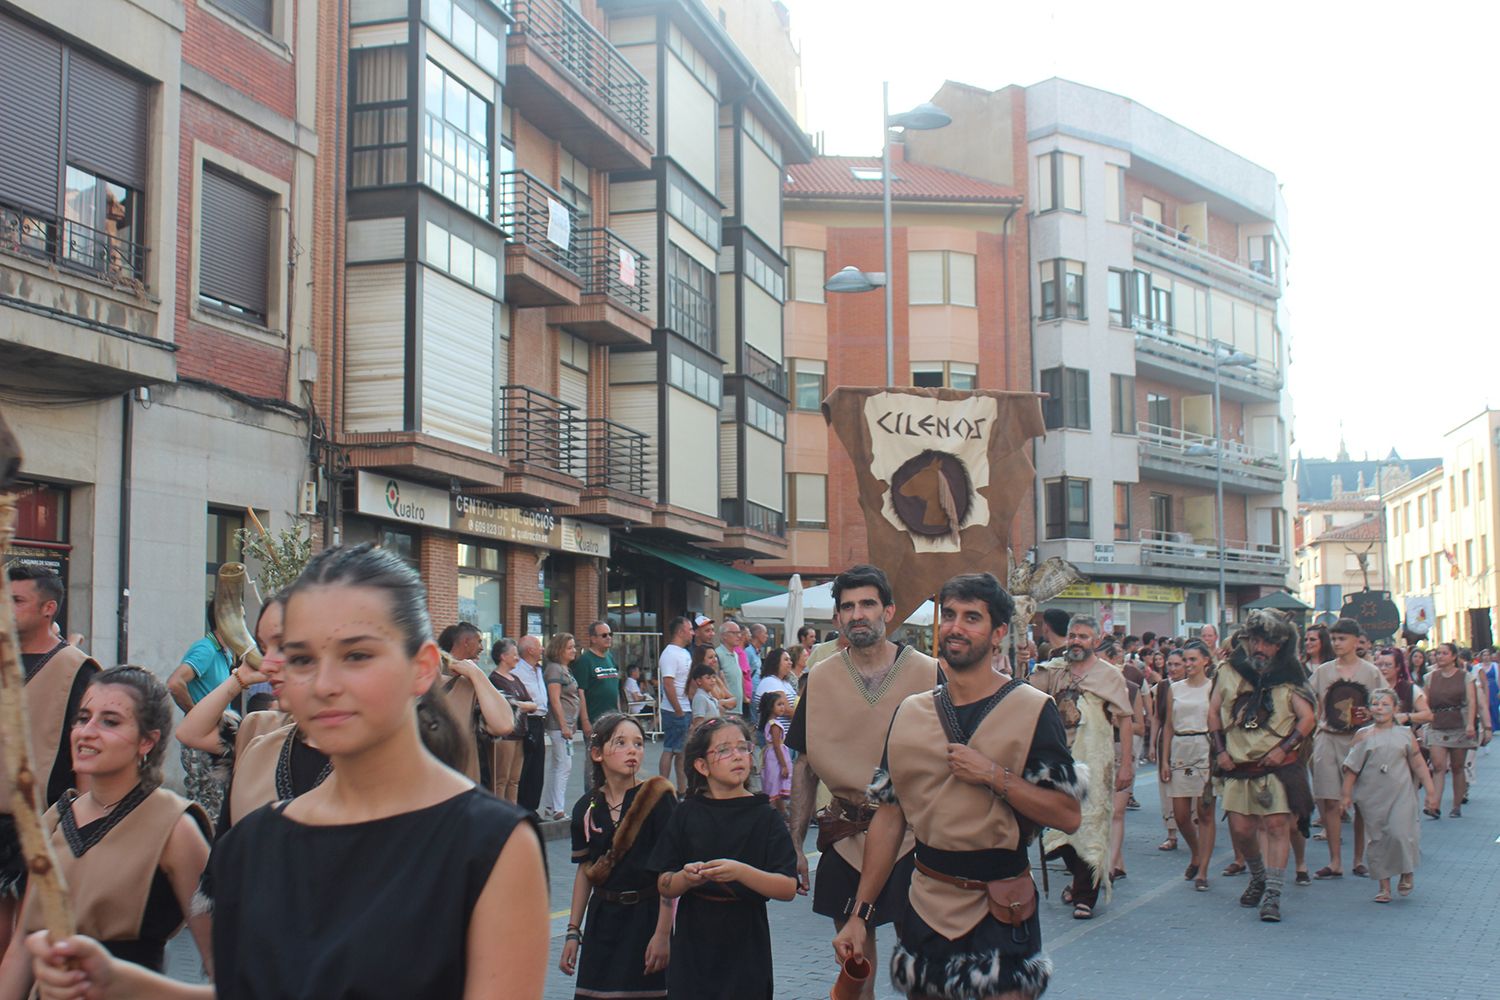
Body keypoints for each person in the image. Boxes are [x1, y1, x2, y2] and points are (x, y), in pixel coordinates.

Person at [25, 542, 551, 999]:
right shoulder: (254, 843)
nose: (322, 684)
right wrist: (122, 985)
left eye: (357, 655)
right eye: (300, 660)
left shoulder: (490, 845)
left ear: (422, 668)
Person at [833, 573, 1082, 1000]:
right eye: (948, 615)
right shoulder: (910, 712)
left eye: (972, 618)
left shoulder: (1033, 709)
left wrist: (994, 775)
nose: (955, 627)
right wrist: (860, 913)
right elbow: (890, 818)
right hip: (926, 901)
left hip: (1002, 905)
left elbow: (1068, 815)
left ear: (998, 632)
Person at [0, 667, 212, 995]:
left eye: (110, 721)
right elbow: (22, 948)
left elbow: (222, 960)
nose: (87, 731)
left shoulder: (173, 826)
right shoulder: (55, 820)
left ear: (147, 741)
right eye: (82, 717)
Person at [786, 565, 942, 995]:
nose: (858, 614)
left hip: (914, 836)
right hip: (846, 831)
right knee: (856, 967)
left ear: (888, 611)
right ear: (836, 618)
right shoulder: (819, 679)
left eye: (868, 604)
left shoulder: (930, 675)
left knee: (923, 963)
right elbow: (804, 764)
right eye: (848, 607)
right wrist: (795, 843)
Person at [649, 717, 798, 999]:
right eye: (725, 750)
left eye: (743, 748)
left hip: (746, 943)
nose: (738, 756)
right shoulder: (686, 812)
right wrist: (685, 878)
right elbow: (664, 883)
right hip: (694, 942)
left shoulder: (765, 816)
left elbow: (787, 887)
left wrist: (741, 872)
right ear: (701, 765)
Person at [0, 564, 100, 958]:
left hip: (46, 821)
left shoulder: (78, 669)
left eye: (17, 600)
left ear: (48, 608)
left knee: (26, 942)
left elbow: (89, 751)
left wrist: (90, 823)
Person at [559, 714, 675, 1000]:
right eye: (620, 742)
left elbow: (668, 872)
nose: (632, 749)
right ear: (597, 753)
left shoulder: (659, 798)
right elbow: (585, 871)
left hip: (646, 918)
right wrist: (573, 931)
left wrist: (663, 934)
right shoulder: (586, 806)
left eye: (638, 743)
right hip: (602, 921)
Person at [1209, 610, 1315, 922]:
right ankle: (1257, 876)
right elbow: (1214, 712)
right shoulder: (1228, 671)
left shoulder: (1291, 676)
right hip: (1238, 764)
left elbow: (1307, 719)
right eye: (1254, 640)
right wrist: (1220, 751)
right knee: (1241, 830)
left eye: (1267, 642)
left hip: (1276, 767)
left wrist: (1283, 749)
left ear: (1279, 645)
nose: (1259, 647)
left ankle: (1273, 893)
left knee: (1277, 826)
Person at [1029, 615, 1133, 919]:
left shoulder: (1109, 676)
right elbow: (1028, 694)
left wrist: (1126, 764)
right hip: (1058, 760)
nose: (1076, 641)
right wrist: (1024, 657)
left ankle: (1085, 895)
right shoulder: (1053, 670)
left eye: (1083, 636)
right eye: (1073, 635)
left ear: (1096, 642)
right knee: (1059, 826)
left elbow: (1124, 720)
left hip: (1095, 761)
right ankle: (1080, 880)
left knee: (1088, 826)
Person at [1339, 689, 1439, 903]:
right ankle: (1384, 885)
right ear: (1369, 708)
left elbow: (1418, 763)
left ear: (1396, 708)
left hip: (1401, 794)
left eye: (1385, 704)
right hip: (1372, 796)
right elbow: (1351, 768)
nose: (1380, 708)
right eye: (1375, 704)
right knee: (1377, 839)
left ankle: (1407, 871)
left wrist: (1431, 791)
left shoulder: (1405, 734)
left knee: (1401, 833)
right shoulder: (1363, 735)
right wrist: (1346, 795)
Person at [1309, 619, 1384, 878]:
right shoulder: (1323, 672)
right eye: (1334, 638)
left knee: (1361, 802)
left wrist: (1371, 712)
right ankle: (1335, 861)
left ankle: (1358, 859)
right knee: (1329, 800)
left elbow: (1385, 703)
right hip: (1328, 738)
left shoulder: (1370, 672)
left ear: (1355, 640)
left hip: (1359, 741)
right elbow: (1309, 701)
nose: (1337, 643)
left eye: (1342, 638)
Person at [167, 604, 238, 817]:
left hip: (214, 737)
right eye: (239, 617)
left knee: (216, 805)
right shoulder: (206, 649)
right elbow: (175, 683)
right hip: (202, 741)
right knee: (208, 809)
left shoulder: (222, 652)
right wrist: (197, 715)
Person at [1162, 640, 1216, 891]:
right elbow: (1168, 726)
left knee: (1205, 812)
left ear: (1206, 660)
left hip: (1205, 747)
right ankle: (1196, 851)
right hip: (1180, 749)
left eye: (1193, 659)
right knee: (1181, 815)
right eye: (1186, 660)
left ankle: (1203, 870)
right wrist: (1163, 759)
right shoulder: (1175, 688)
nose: (1188, 664)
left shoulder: (1213, 687)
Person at [1424, 641, 1476, 817]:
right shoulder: (1430, 677)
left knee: (1457, 767)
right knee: (1438, 766)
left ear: (1453, 656)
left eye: (1444, 653)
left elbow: (1471, 701)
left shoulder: (1465, 677)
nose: (1440, 656)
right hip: (1437, 723)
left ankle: (1456, 805)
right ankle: (1434, 805)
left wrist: (1470, 723)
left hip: (1458, 724)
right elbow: (1425, 702)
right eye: (1438, 653)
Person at [544, 633, 590, 823]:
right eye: (569, 647)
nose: (573, 651)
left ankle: (550, 806)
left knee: (558, 765)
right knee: (564, 765)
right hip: (559, 726)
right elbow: (555, 699)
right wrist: (564, 724)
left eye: (574, 647)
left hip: (567, 724)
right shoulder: (555, 670)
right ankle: (558, 808)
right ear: (559, 649)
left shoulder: (565, 669)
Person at [489, 638, 539, 803]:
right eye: (515, 654)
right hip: (505, 735)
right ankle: (499, 813)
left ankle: (512, 811)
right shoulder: (495, 679)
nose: (518, 658)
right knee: (501, 778)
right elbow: (507, 704)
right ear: (503, 656)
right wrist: (522, 705)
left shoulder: (515, 679)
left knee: (514, 779)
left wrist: (520, 705)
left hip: (520, 733)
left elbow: (531, 703)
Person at [515, 634, 551, 813]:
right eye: (539, 646)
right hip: (526, 720)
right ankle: (521, 806)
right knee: (526, 766)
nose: (542, 649)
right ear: (530, 650)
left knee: (537, 767)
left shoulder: (538, 669)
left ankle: (532, 808)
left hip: (539, 720)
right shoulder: (517, 670)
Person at [658, 617, 693, 793]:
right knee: (670, 748)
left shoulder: (685, 653)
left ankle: (682, 789)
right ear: (680, 631)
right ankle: (662, 787)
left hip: (685, 707)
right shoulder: (670, 654)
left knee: (682, 752)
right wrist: (678, 709)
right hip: (674, 709)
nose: (692, 633)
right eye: (690, 629)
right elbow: (668, 684)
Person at [758, 691, 792, 820]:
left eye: (783, 704)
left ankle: (781, 813)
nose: (783, 707)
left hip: (773, 756)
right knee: (774, 785)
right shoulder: (774, 725)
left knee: (775, 785)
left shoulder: (772, 723)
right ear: (770, 707)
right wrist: (783, 765)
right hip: (776, 758)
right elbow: (777, 746)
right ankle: (773, 814)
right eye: (779, 704)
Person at [688, 651, 735, 728]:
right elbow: (698, 724)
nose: (712, 680)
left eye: (713, 677)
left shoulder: (710, 698)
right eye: (708, 678)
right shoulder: (700, 698)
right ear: (699, 681)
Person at [714, 620, 747, 720]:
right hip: (726, 710)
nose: (739, 636)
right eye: (735, 633)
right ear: (724, 636)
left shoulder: (736, 655)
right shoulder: (718, 654)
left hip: (737, 708)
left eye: (739, 633)